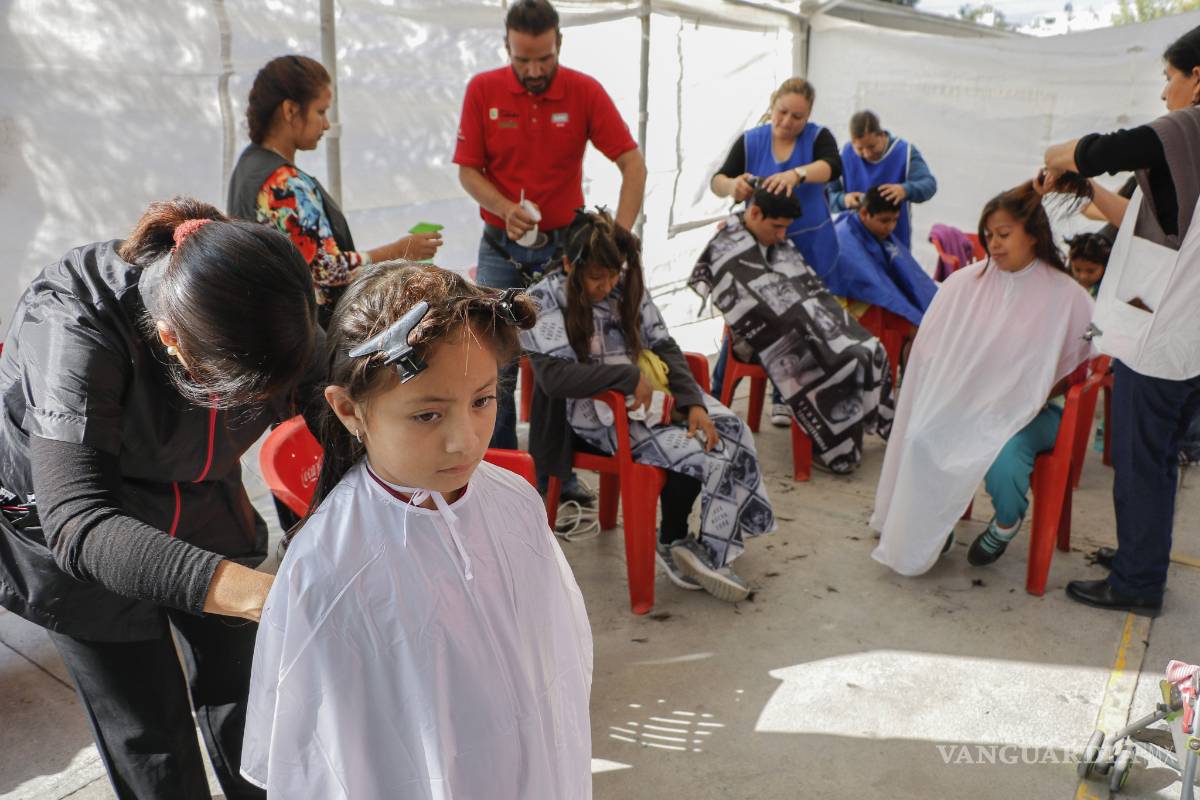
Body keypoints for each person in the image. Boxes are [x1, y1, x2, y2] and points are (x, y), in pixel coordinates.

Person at [0, 198, 322, 799]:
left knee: (248, 694)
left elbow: (329, 396)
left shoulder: (248, 295)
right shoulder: (72, 323)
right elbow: (81, 523)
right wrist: (264, 595)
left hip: (201, 495)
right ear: (172, 342)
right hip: (82, 527)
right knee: (151, 735)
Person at [241, 263, 592, 799]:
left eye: (482, 401)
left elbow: (556, 659)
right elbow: (321, 757)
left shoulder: (515, 502)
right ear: (348, 410)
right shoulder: (328, 566)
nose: (465, 441)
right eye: (428, 415)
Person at [522, 208, 773, 602]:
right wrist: (623, 377)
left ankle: (706, 546)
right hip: (594, 417)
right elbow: (554, 381)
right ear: (570, 264)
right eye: (596, 278)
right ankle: (674, 539)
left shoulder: (625, 290)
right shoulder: (542, 300)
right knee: (701, 454)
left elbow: (664, 345)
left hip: (646, 404)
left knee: (728, 430)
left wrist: (692, 403)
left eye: (613, 275)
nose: (607, 286)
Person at [1039, 24, 1200, 615]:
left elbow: (1097, 150)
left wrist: (1057, 158)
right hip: (1192, 339)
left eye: (1169, 78)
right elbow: (1153, 218)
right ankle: (1141, 556)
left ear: (1198, 78)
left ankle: (1136, 584)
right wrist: (1085, 188)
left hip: (1163, 337)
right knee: (1155, 459)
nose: (1165, 94)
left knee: (1142, 459)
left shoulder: (1188, 126)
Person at [454, 0, 647, 463]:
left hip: (565, 250)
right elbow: (467, 171)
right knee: (496, 363)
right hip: (502, 249)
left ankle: (561, 472)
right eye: (523, 59)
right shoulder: (483, 90)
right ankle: (497, 468)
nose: (535, 70)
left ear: (560, 43)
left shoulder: (584, 91)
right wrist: (503, 207)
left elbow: (632, 165)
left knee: (568, 362)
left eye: (544, 58)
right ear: (507, 47)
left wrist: (614, 241)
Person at [871, 183, 1094, 576]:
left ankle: (1007, 521)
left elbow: (1076, 369)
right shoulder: (966, 283)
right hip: (971, 403)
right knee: (922, 437)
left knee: (1002, 456)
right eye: (989, 235)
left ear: (1034, 235)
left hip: (1035, 412)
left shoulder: (1067, 296)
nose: (994, 244)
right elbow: (935, 348)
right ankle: (933, 529)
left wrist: (1023, 396)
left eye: (1004, 235)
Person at [689, 188, 895, 474]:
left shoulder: (775, 241)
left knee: (870, 348)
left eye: (786, 227)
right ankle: (832, 447)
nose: (782, 235)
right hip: (759, 339)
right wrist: (808, 328)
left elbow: (810, 290)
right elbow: (752, 309)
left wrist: (818, 322)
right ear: (755, 212)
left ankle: (850, 432)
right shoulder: (727, 246)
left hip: (802, 326)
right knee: (840, 362)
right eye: (777, 227)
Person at [228, 54, 442, 329]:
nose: (326, 125)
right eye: (320, 111)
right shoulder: (283, 183)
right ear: (291, 110)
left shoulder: (249, 165)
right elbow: (329, 270)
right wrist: (399, 250)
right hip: (304, 334)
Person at [711, 77, 842, 280]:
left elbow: (833, 166)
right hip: (763, 251)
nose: (787, 121)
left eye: (797, 117)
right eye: (782, 112)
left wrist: (796, 175)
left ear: (808, 116)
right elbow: (717, 181)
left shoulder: (819, 137)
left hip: (814, 249)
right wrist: (730, 186)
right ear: (773, 104)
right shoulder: (749, 142)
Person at [827, 110, 938, 250]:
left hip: (895, 241)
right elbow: (826, 197)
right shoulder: (843, 155)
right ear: (852, 142)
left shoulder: (904, 152)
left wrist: (905, 189)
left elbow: (929, 185)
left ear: (881, 135)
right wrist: (843, 200)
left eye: (872, 146)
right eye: (860, 149)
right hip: (855, 242)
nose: (867, 153)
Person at [830, 186, 938, 325]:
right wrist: (914, 321)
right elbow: (875, 287)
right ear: (863, 213)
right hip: (857, 309)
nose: (891, 227)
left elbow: (914, 279)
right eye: (885, 220)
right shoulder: (843, 240)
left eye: (895, 220)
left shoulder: (878, 233)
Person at [1065, 231, 1111, 298]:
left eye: (1090, 271)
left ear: (1105, 266)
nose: (1083, 276)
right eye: (1077, 269)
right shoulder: (1067, 279)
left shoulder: (1107, 291)